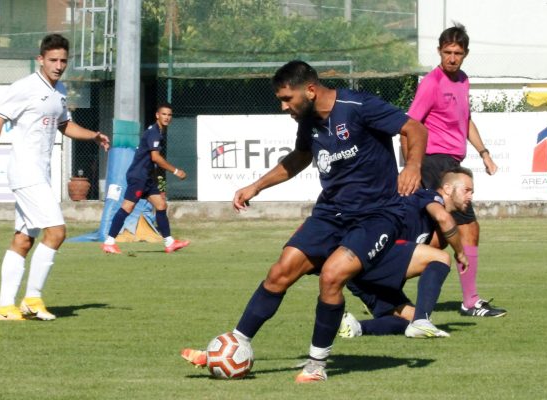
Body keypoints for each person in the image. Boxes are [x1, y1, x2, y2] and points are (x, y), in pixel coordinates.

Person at [181, 60, 428, 382]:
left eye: (287, 99)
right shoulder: (308, 120)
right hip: (331, 213)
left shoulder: (359, 106)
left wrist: (412, 167)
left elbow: (415, 128)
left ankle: (316, 365)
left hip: (377, 215)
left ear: (310, 90)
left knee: (332, 275)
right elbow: (299, 157)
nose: (284, 107)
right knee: (280, 271)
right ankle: (235, 344)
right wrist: (255, 186)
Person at [0, 34, 110, 321]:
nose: (59, 65)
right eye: (53, 60)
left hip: (40, 175)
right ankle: (32, 298)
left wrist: (93, 136)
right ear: (40, 60)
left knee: (23, 240)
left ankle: (5, 307)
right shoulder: (24, 88)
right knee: (57, 232)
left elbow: (65, 125)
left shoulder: (59, 91)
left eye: (63, 60)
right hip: (25, 172)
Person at [404, 23, 506, 317]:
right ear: (439, 51)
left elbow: (466, 121)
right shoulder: (431, 83)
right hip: (436, 162)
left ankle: (386, 281)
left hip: (453, 163)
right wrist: (411, 164)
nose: (451, 58)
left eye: (457, 53)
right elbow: (410, 125)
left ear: (465, 54)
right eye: (447, 52)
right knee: (467, 228)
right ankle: (470, 301)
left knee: (438, 237)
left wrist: (484, 153)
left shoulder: (462, 81)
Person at [340, 167, 483, 339]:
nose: (470, 196)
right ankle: (422, 322)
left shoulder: (432, 231)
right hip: (373, 254)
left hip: (364, 274)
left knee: (409, 319)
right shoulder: (430, 196)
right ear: (447, 189)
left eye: (472, 192)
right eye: (466, 190)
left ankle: (355, 327)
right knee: (441, 258)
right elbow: (443, 218)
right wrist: (460, 253)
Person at [101, 103, 190, 254]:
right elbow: (155, 158)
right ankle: (109, 242)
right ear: (157, 115)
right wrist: (175, 171)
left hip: (147, 178)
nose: (167, 117)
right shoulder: (154, 133)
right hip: (139, 177)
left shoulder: (159, 133)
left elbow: (151, 162)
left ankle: (169, 243)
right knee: (127, 208)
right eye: (164, 114)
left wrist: (158, 186)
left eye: (169, 115)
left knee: (161, 205)